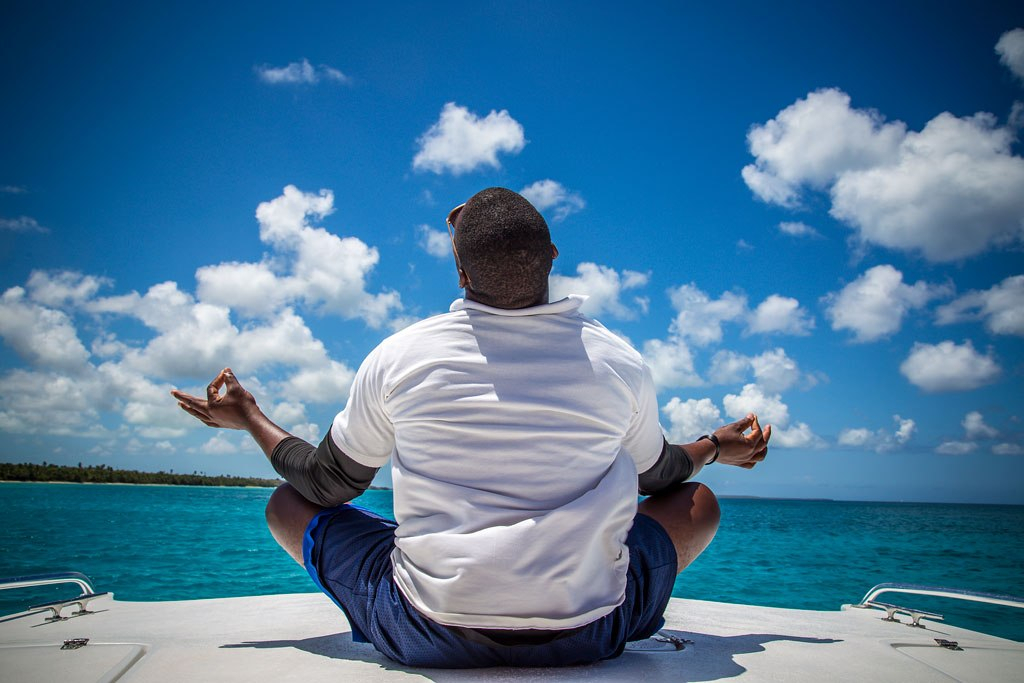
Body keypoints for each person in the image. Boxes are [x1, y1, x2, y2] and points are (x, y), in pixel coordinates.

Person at [171, 187, 770, 668]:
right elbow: (659, 476)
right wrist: (714, 446)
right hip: (589, 632)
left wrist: (250, 418)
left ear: (460, 272)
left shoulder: (400, 358)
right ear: (553, 257)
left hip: (427, 629)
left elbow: (327, 485)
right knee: (696, 501)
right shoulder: (618, 362)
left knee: (286, 502)